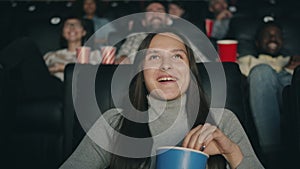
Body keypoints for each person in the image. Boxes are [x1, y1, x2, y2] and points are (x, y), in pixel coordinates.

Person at [59, 29, 264, 169]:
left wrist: (232, 152)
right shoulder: (113, 122)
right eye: (154, 57)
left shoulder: (223, 121)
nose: (166, 65)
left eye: (177, 57)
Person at [238, 21, 300, 159]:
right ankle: (272, 153)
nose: (273, 38)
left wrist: (292, 70)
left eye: (277, 35)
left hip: (290, 99)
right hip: (261, 99)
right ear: (257, 42)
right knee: (261, 72)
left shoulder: (293, 60)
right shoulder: (247, 60)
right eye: (267, 35)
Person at [115, 1, 210, 64]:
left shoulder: (179, 37)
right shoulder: (134, 37)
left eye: (159, 10)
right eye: (150, 11)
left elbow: (202, 62)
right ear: (144, 21)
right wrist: (122, 59)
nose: (155, 13)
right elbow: (120, 58)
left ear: (167, 19)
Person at [44, 16, 101, 81]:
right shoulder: (51, 56)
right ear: (63, 33)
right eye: (67, 25)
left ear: (84, 32)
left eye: (77, 25)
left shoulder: (97, 54)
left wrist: (63, 68)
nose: (72, 28)